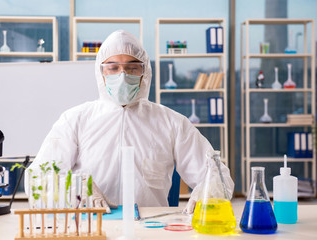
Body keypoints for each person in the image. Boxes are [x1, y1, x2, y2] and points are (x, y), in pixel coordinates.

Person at [25, 30, 234, 214]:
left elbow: (217, 174)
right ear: (101, 72)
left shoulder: (172, 123)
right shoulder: (75, 119)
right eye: (113, 68)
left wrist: (207, 193)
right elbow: (37, 178)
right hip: (91, 227)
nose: (123, 75)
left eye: (132, 68)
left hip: (149, 230)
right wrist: (76, 189)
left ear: (145, 72)